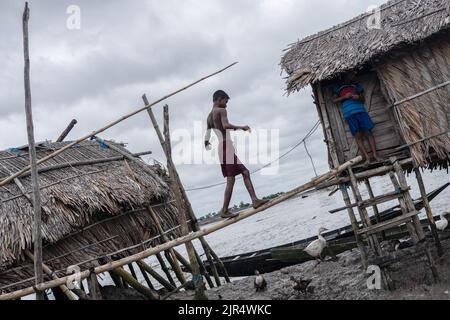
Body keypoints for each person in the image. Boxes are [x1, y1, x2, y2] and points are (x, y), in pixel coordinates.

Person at [204, 90, 269, 219]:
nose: (226, 105)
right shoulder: (221, 111)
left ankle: (255, 200)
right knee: (231, 179)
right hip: (226, 147)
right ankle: (224, 210)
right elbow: (226, 125)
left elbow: (207, 133)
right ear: (219, 99)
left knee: (245, 173)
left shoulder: (209, 116)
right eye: (225, 102)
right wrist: (242, 127)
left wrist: (206, 143)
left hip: (221, 147)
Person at [332, 76, 382, 164]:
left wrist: (358, 97)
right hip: (349, 113)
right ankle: (367, 158)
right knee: (358, 136)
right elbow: (334, 100)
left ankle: (375, 155)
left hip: (360, 110)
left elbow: (363, 98)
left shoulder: (356, 86)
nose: (349, 74)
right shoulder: (338, 87)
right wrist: (344, 97)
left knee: (368, 133)